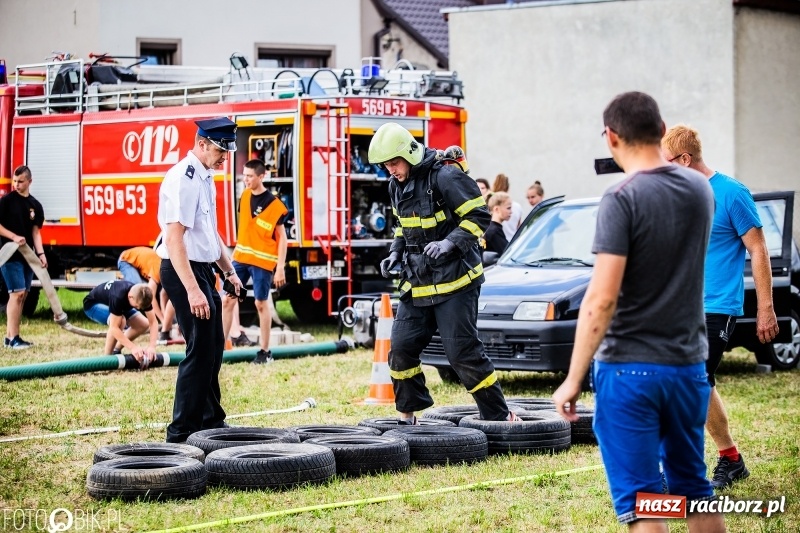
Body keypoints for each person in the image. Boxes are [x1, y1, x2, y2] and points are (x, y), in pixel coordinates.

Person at [553, 92, 724, 532]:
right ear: (662, 127)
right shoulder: (700, 189)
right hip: (688, 368)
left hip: (630, 370)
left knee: (647, 502)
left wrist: (572, 379)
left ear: (611, 137)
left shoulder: (621, 198)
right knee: (694, 491)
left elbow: (602, 298)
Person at [368, 122, 519, 424]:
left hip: (456, 282)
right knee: (401, 348)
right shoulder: (395, 185)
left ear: (409, 154)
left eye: (394, 163)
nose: (391, 170)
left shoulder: (446, 175)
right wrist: (395, 251)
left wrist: (450, 243)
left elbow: (479, 216)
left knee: (461, 352)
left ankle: (500, 417)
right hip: (419, 282)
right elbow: (402, 225)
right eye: (385, 165)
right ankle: (408, 415)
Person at [662, 124, 778, 490]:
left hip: (717, 307)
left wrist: (766, 308)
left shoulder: (731, 193)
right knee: (701, 382)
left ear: (685, 159)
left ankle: (680, 473)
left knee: (690, 381)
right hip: (680, 307)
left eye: (668, 163)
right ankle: (731, 459)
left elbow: (758, 249)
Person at [157, 117, 243, 443]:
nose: (225, 157)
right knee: (199, 350)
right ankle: (180, 433)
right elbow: (175, 238)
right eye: (221, 150)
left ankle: (210, 421)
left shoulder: (206, 176)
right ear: (202, 143)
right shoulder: (184, 177)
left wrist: (229, 272)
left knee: (214, 348)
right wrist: (193, 290)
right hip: (183, 271)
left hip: (203, 268)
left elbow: (210, 235)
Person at [223, 159, 288, 364]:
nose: (246, 179)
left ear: (262, 177)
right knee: (227, 300)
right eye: (245, 175)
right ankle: (220, 348)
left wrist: (280, 269)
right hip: (241, 259)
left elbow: (282, 239)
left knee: (261, 304)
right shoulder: (244, 195)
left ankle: (265, 352)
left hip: (263, 262)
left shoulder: (275, 205)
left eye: (250, 176)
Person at [0, 165, 45, 349]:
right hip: (9, 254)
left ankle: (9, 337)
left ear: (29, 182)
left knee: (24, 295)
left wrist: (41, 254)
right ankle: (14, 339)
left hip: (28, 256)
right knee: (16, 293)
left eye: (20, 181)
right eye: (15, 181)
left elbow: (36, 234)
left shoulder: (35, 205)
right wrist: (13, 237)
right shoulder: (6, 201)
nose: (16, 185)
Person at [83, 280, 159, 365]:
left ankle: (116, 349)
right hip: (92, 305)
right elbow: (114, 328)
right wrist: (133, 348)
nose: (139, 308)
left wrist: (152, 346)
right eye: (137, 306)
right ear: (130, 297)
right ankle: (107, 360)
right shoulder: (118, 296)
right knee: (120, 321)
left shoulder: (142, 295)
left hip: (117, 305)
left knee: (143, 324)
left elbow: (153, 322)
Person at [491, 173, 522, 240]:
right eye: (508, 208)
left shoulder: (490, 204)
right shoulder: (517, 206)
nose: (510, 212)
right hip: (512, 242)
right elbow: (519, 227)